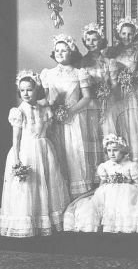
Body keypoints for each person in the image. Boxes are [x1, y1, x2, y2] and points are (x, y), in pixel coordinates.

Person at [0, 71, 70, 237]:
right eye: (22, 90)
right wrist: (17, 159)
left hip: (44, 149)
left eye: (29, 90)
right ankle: (28, 223)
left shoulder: (44, 110)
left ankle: (44, 222)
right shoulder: (18, 112)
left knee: (46, 183)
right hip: (26, 151)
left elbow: (49, 132)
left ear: (36, 90)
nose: (26, 93)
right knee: (28, 187)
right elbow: (16, 139)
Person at [64, 134, 138, 233]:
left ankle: (122, 225)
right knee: (95, 204)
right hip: (107, 192)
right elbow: (101, 185)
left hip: (126, 193)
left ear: (123, 151)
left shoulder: (131, 165)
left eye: (115, 150)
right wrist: (97, 194)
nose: (112, 154)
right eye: (109, 151)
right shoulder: (105, 166)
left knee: (126, 204)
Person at [40, 34, 93, 199]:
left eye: (64, 51)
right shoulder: (47, 74)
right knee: (57, 151)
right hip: (54, 119)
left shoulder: (79, 73)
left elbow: (87, 97)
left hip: (74, 118)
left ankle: (77, 194)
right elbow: (45, 99)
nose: (60, 53)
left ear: (71, 52)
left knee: (73, 151)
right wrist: (52, 108)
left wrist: (70, 111)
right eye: (57, 51)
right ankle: (61, 194)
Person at [104, 17, 138, 177]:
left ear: (135, 35)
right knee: (117, 125)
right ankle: (117, 166)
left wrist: (132, 79)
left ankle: (135, 168)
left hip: (132, 93)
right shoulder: (111, 52)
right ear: (119, 34)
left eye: (130, 34)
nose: (127, 37)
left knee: (133, 127)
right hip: (116, 93)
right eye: (124, 34)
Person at [79, 22, 108, 176]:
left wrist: (107, 90)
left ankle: (110, 169)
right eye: (88, 40)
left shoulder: (107, 61)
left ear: (100, 41)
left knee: (107, 131)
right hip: (90, 103)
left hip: (107, 101)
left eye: (94, 39)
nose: (91, 43)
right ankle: (95, 172)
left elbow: (111, 81)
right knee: (93, 134)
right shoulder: (82, 62)